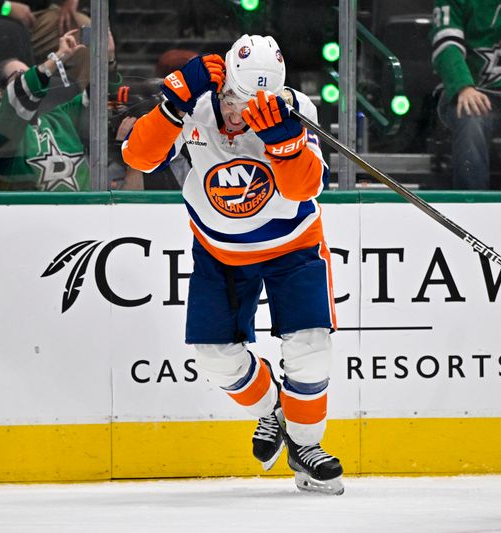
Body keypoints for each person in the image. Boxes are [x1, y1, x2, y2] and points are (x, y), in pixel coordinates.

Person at [122, 34, 343, 495]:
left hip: (294, 247)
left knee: (309, 347)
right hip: (219, 253)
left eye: (261, 98)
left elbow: (307, 188)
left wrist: (285, 142)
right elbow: (139, 157)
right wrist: (170, 105)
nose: (247, 109)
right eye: (240, 96)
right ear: (224, 83)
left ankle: (306, 446)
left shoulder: (296, 106)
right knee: (216, 360)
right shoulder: (196, 103)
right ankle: (272, 410)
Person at [0, 28, 121, 191]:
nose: (31, 76)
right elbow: (20, 92)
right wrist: (57, 58)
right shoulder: (0, 129)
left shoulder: (61, 118)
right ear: (1, 93)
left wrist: (108, 59)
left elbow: (105, 100)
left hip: (87, 211)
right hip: (32, 214)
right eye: (20, 75)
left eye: (30, 71)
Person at [432, 0, 501, 190]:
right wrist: (464, 86)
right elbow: (446, 45)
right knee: (471, 117)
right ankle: (472, 202)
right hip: (473, 90)